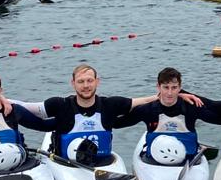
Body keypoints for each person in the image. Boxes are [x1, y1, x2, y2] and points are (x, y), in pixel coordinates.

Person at [15, 63, 156, 166]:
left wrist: (165, 96)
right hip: (66, 164)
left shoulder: (110, 105)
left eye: (90, 81)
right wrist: (4, 101)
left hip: (103, 163)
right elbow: (26, 107)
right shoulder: (60, 105)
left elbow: (143, 101)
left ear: (97, 82)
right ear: (73, 83)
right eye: (81, 81)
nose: (86, 86)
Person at [124, 67, 209, 164]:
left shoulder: (191, 108)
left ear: (180, 88)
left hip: (188, 161)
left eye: (174, 88)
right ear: (158, 87)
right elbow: (117, 123)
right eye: (166, 87)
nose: (170, 93)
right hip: (154, 162)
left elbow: (220, 118)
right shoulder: (147, 109)